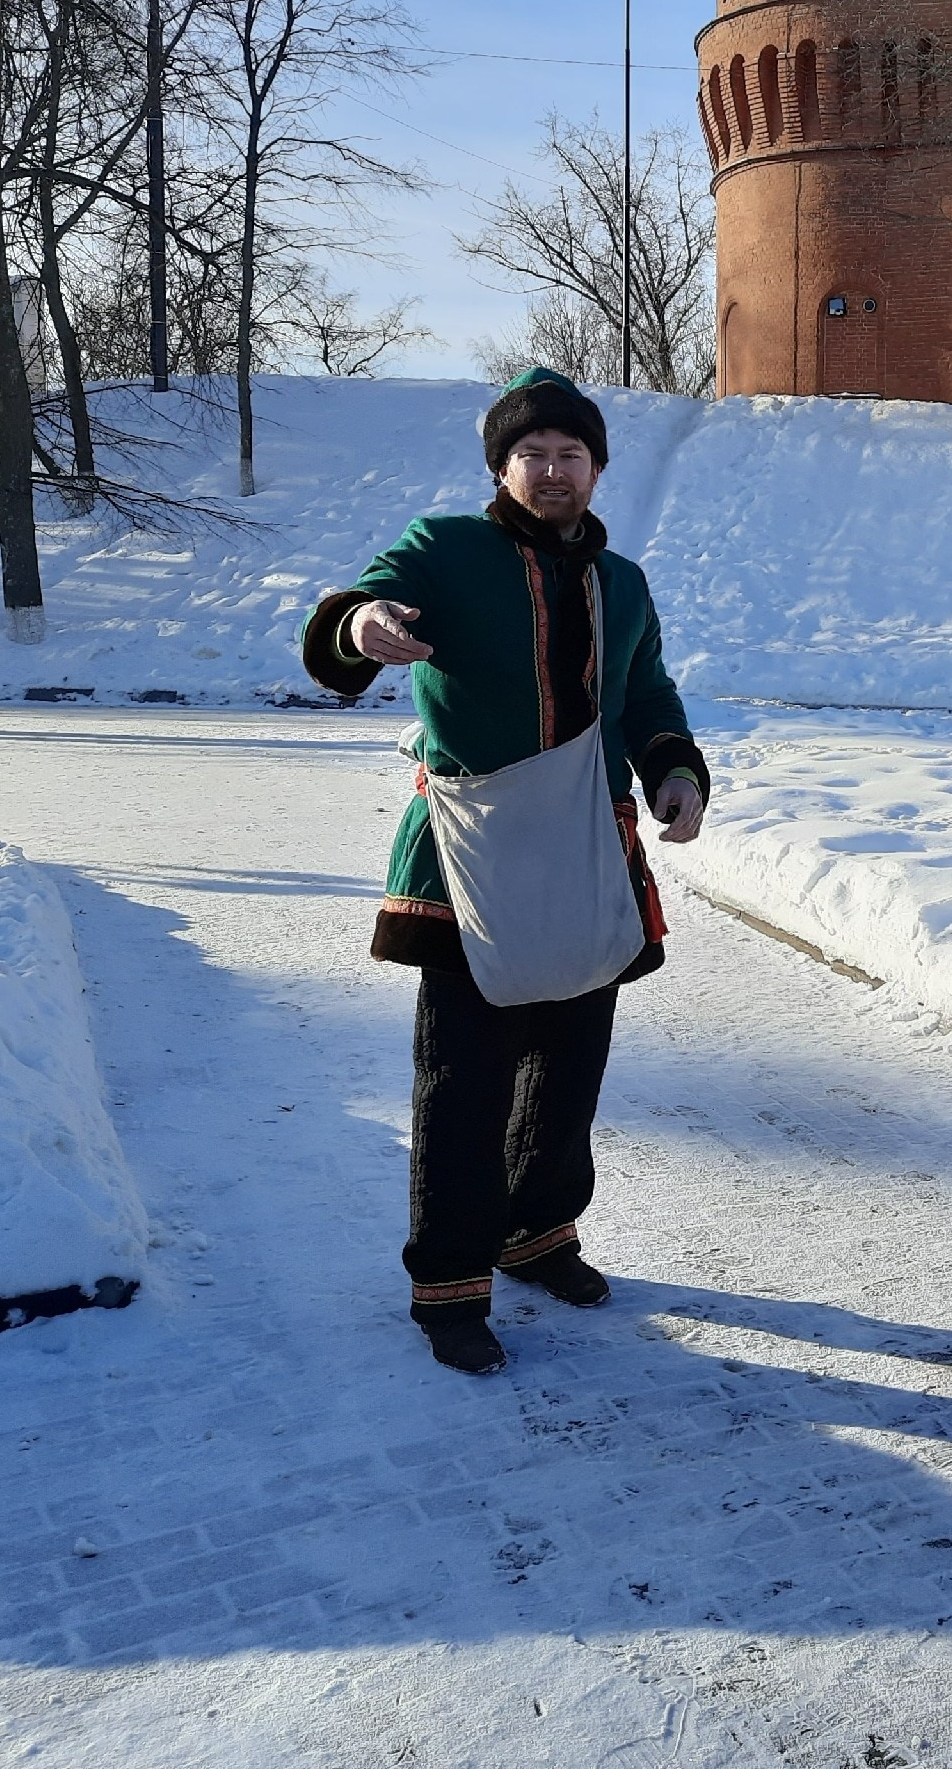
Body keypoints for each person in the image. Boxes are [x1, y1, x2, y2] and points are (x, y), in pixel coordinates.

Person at [300, 368, 709, 1376]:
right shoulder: (447, 548)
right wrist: (363, 629)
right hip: (468, 857)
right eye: (534, 453)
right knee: (463, 1081)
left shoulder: (623, 584)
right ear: (501, 466)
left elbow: (647, 692)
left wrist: (673, 771)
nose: (554, 468)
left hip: (584, 852)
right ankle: (449, 1283)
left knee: (568, 1069)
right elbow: (363, 603)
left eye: (572, 453)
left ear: (597, 469)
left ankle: (538, 1234)